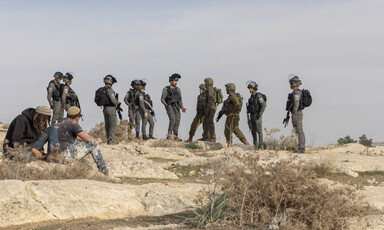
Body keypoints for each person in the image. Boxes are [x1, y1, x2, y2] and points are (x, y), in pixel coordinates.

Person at [56, 106, 108, 175]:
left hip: (58, 153)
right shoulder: (72, 123)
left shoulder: (61, 122)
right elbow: (86, 137)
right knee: (93, 145)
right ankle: (103, 171)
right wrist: (96, 140)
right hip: (66, 154)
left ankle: (81, 166)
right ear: (77, 118)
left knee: (78, 142)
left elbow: (75, 137)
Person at [161, 73, 186, 141]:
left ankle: (175, 136)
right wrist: (166, 104)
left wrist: (182, 107)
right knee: (173, 120)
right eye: (175, 81)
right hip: (169, 106)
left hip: (177, 106)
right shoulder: (166, 89)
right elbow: (162, 99)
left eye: (176, 81)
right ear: (171, 81)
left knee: (177, 120)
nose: (176, 82)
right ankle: (169, 136)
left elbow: (180, 99)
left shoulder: (178, 89)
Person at [286, 76, 306, 153]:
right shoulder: (295, 92)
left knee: (299, 130)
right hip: (296, 112)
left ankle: (301, 148)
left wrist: (294, 112)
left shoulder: (296, 92)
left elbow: (296, 102)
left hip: (297, 113)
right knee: (297, 130)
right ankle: (300, 147)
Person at [101, 75, 120, 144]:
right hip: (111, 108)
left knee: (107, 125)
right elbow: (113, 100)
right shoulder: (110, 89)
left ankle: (108, 140)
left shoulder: (102, 90)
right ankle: (111, 140)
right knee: (113, 124)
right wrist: (118, 102)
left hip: (104, 108)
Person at [246, 81, 266, 148]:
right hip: (252, 116)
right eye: (249, 88)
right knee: (253, 131)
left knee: (259, 131)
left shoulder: (258, 96)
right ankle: (255, 145)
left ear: (254, 88)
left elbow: (263, 105)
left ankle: (261, 145)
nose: (249, 90)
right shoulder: (251, 97)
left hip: (257, 115)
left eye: (251, 88)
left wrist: (259, 114)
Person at [200, 77, 217, 142]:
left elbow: (210, 101)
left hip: (211, 108)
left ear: (208, 84)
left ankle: (213, 137)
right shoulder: (209, 90)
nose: (205, 85)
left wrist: (207, 111)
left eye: (206, 83)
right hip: (210, 107)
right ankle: (205, 136)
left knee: (210, 122)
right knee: (205, 122)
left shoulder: (210, 90)